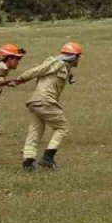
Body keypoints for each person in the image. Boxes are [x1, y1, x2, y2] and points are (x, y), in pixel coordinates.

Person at [16, 41, 83, 171]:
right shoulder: (57, 63)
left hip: (37, 101)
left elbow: (66, 74)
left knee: (35, 131)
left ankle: (28, 163)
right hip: (44, 101)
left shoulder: (65, 66)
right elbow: (38, 70)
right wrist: (20, 79)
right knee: (62, 128)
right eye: (79, 57)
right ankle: (48, 157)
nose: (79, 60)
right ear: (74, 56)